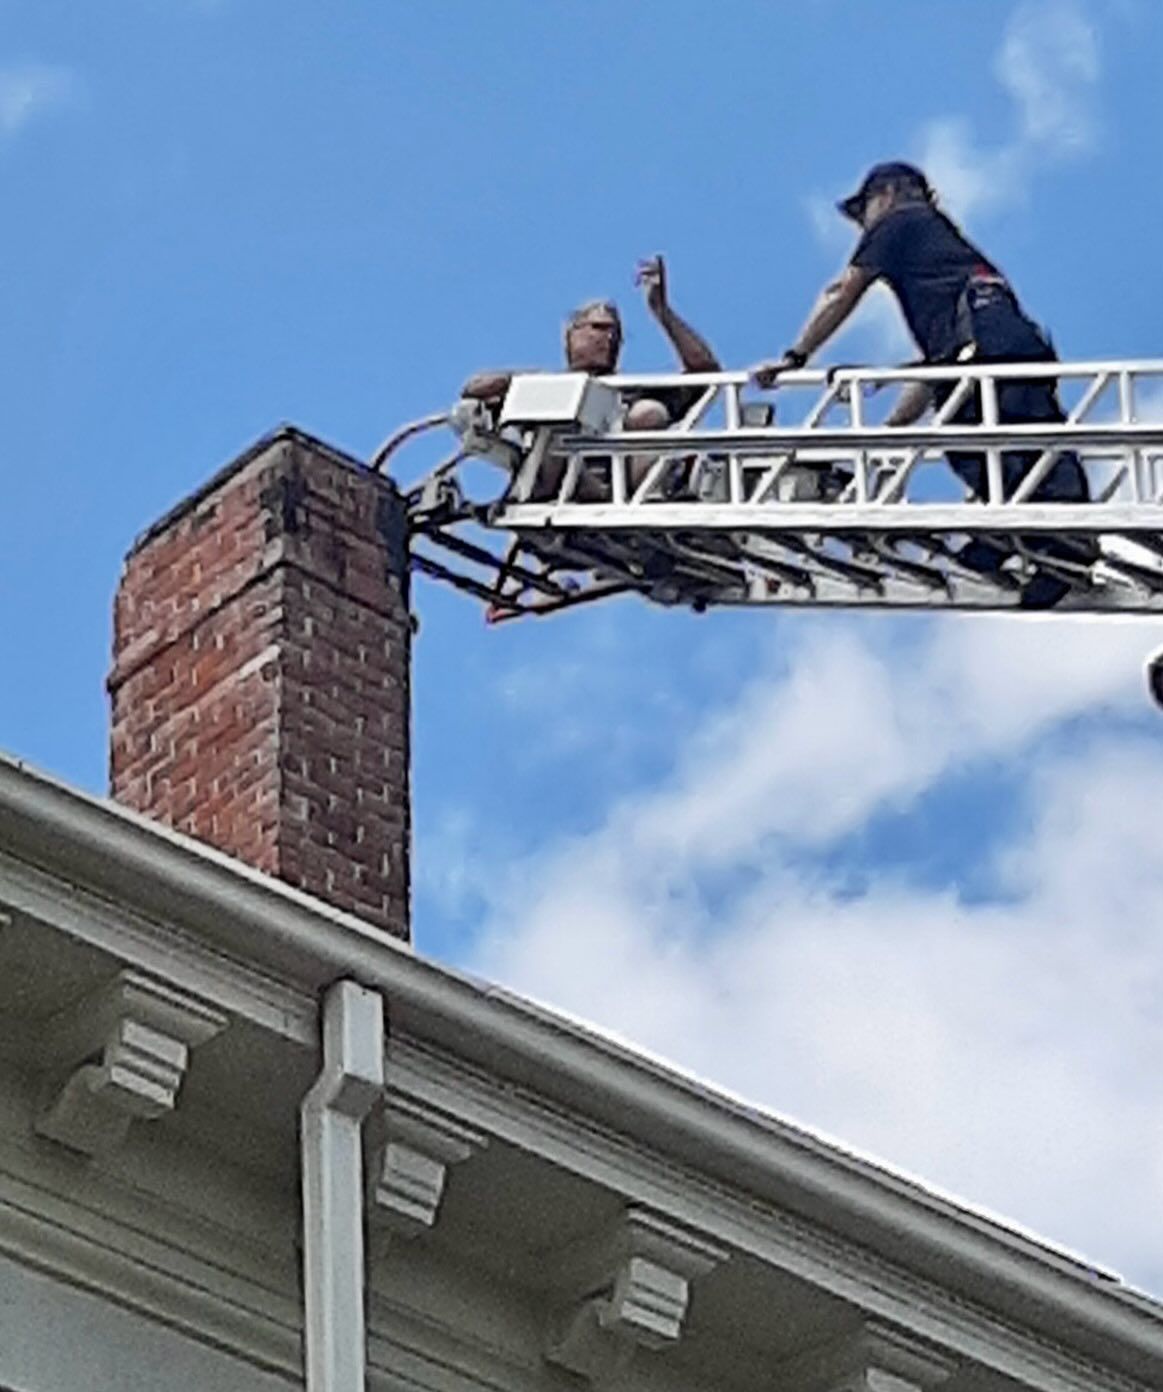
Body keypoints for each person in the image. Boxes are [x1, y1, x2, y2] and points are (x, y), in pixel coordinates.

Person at [752, 161, 1091, 607]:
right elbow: (934, 369)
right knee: (1015, 435)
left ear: (888, 194)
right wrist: (897, 428)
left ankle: (1046, 541)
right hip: (1002, 341)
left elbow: (844, 290)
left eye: (864, 210)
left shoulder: (899, 223)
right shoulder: (941, 249)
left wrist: (795, 356)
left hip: (982, 346)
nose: (862, 224)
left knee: (980, 442)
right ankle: (1029, 539)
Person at [461, 256, 719, 496]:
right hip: (558, 484)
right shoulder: (543, 387)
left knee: (649, 411)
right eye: (599, 328)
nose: (608, 339)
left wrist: (662, 312)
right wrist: (527, 384)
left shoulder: (633, 390)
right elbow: (475, 388)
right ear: (571, 334)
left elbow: (706, 374)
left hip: (621, 494)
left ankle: (645, 494)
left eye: (616, 334)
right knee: (553, 417)